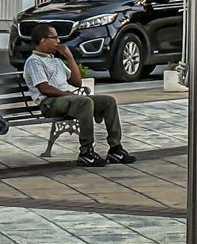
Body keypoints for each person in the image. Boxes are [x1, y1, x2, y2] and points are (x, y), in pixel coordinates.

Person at [23, 24, 135, 167]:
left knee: (108, 101)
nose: (58, 41)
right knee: (85, 102)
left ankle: (115, 148)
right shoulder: (34, 61)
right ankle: (86, 152)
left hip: (67, 99)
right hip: (50, 102)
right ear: (43, 40)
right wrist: (65, 93)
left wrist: (69, 57)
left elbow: (77, 82)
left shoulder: (56, 60)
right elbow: (44, 88)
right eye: (54, 37)